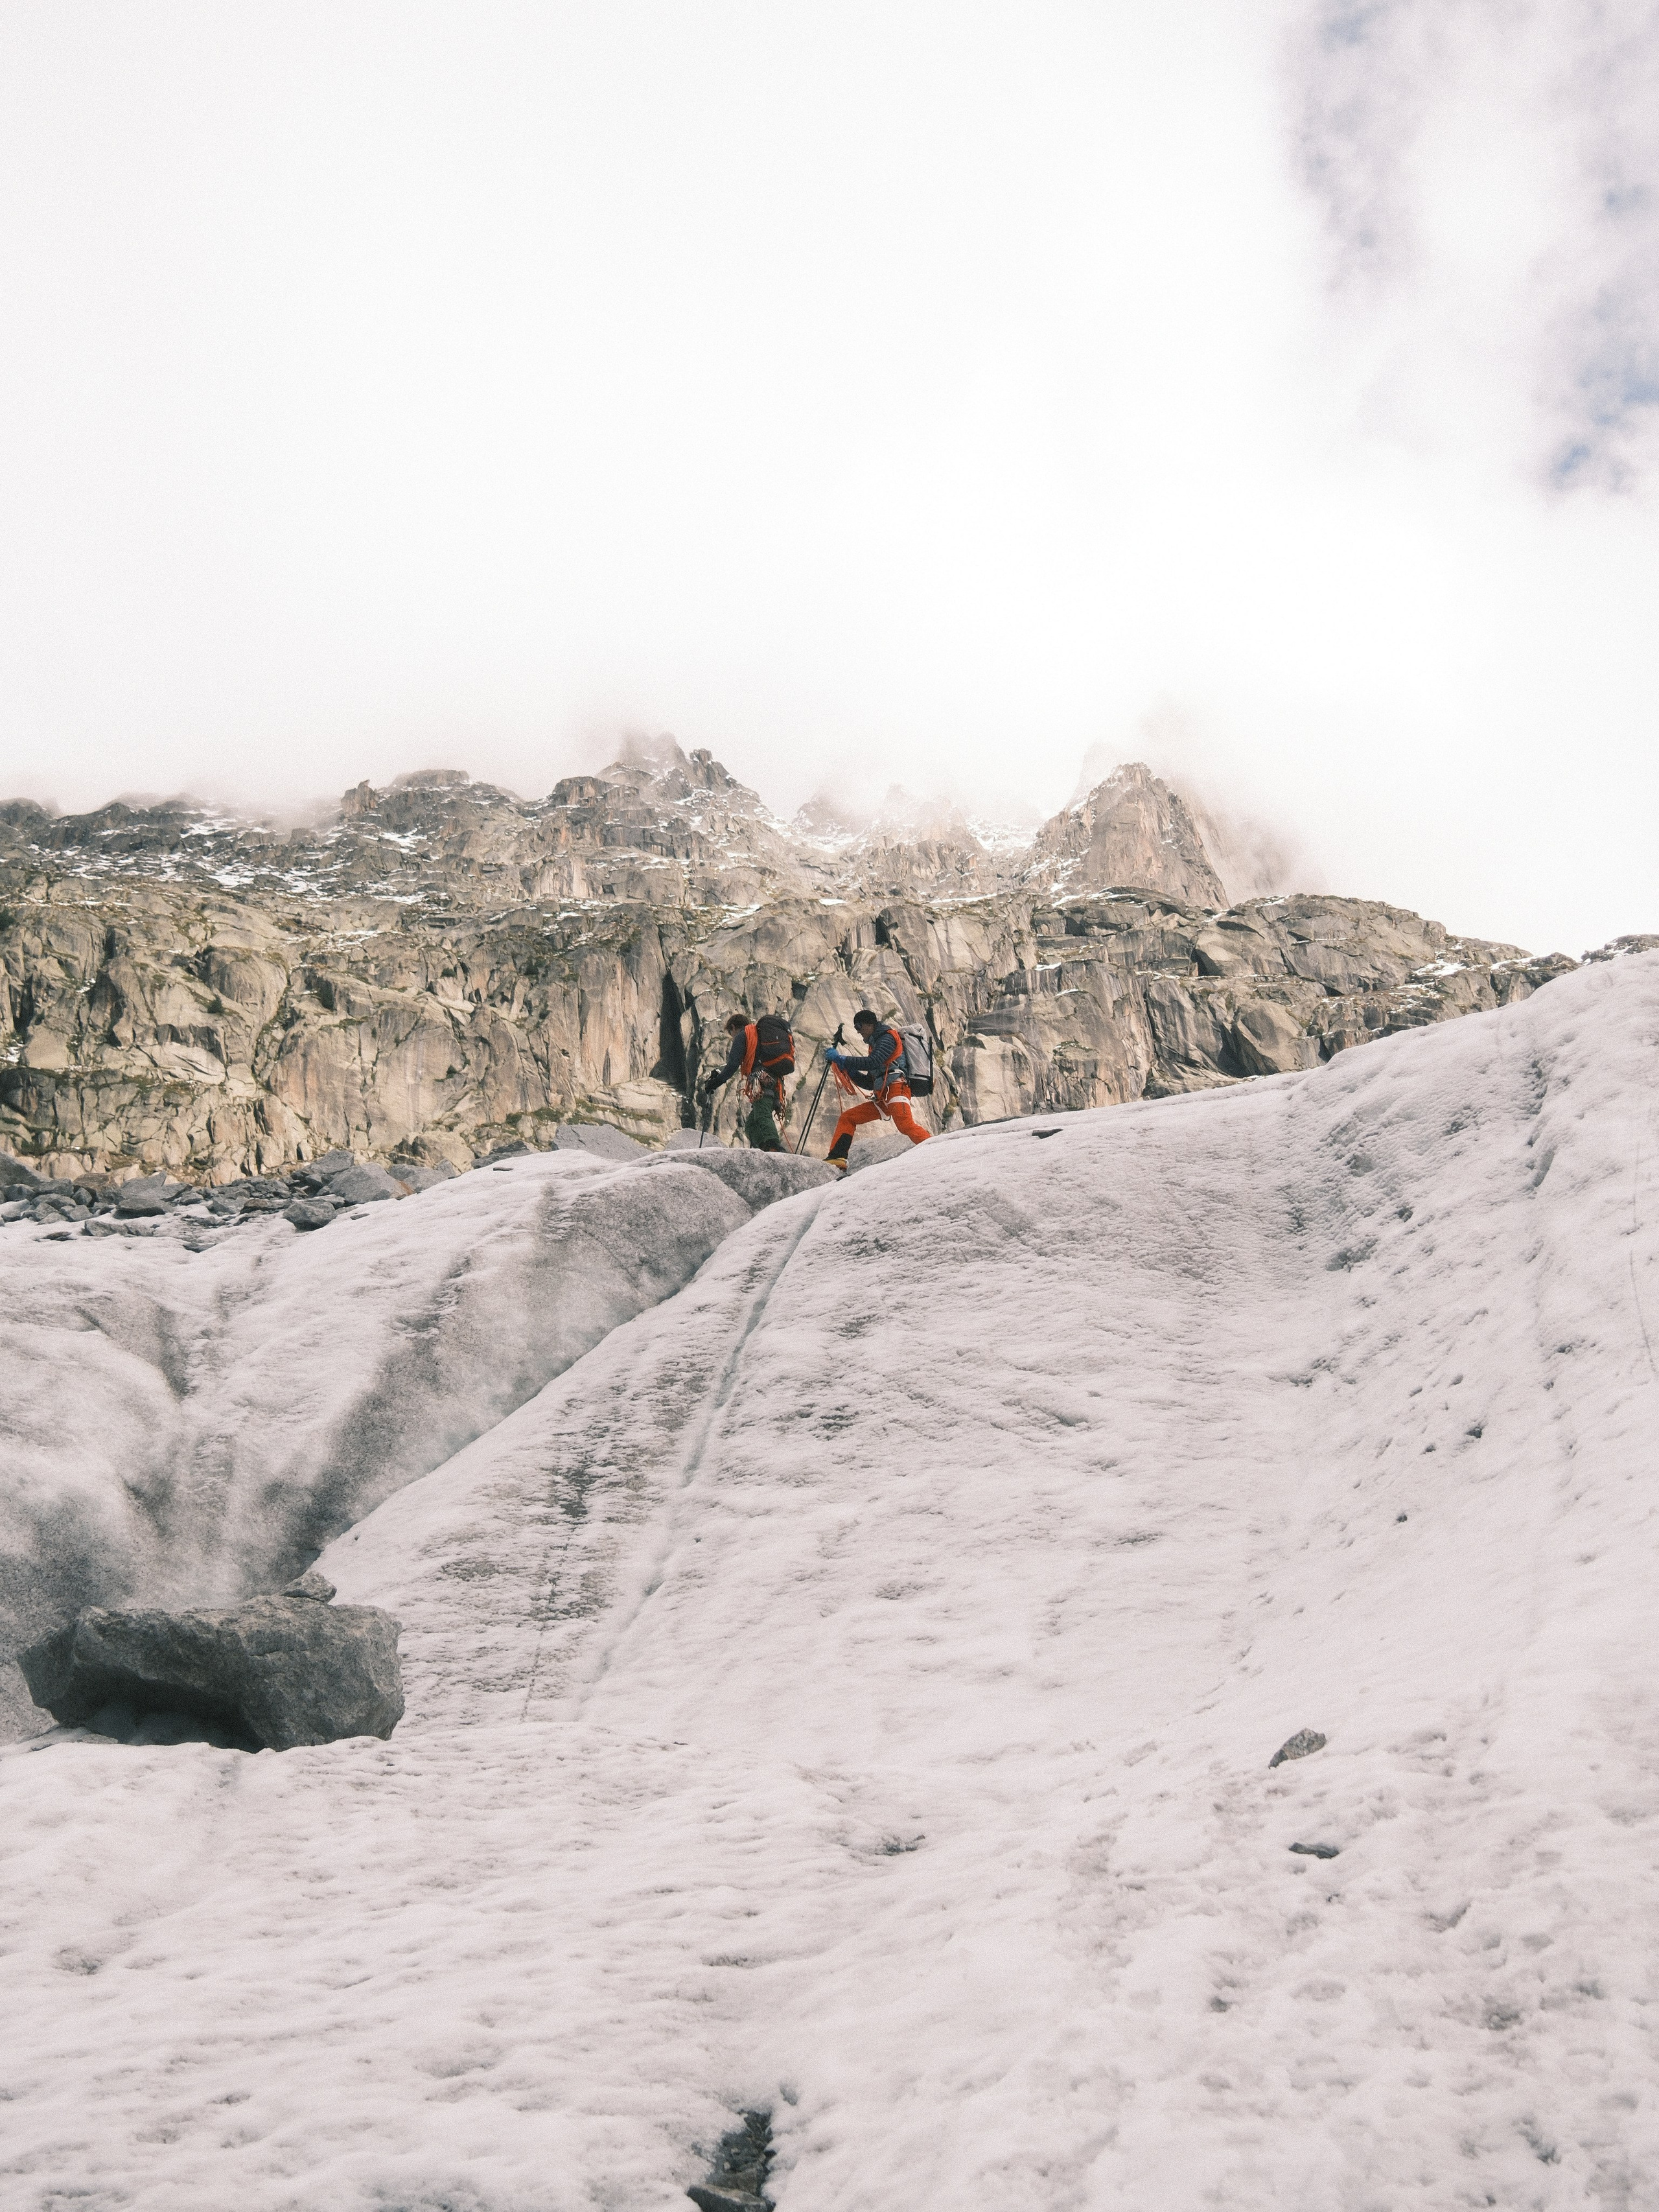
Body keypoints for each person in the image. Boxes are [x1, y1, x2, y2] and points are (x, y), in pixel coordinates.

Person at [822, 1008, 931, 1172]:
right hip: (884, 1095)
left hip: (897, 1089)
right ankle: (837, 1160)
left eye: (859, 1027)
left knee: (905, 1125)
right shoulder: (875, 1045)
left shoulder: (887, 1037)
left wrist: (842, 1059)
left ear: (870, 1024)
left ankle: (937, 1149)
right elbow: (869, 1082)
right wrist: (849, 1071)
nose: (858, 1032)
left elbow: (873, 1062)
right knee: (848, 1118)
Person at [700, 1012, 793, 1152]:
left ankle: (773, 1147)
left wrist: (715, 1083)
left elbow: (732, 1065)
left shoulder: (743, 1036)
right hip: (775, 1082)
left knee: (762, 1115)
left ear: (733, 1027)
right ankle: (765, 1147)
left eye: (731, 1033)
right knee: (751, 1126)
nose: (732, 1037)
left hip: (761, 1079)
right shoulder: (757, 1037)